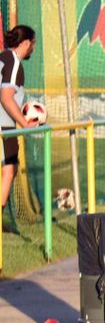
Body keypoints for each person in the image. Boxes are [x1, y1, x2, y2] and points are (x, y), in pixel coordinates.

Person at [0, 25, 41, 226]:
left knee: (10, 168)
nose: (33, 48)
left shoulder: (3, 57)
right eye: (32, 44)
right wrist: (25, 123)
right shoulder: (14, 63)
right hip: (3, 126)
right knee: (9, 168)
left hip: (5, 124)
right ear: (25, 43)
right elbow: (6, 97)